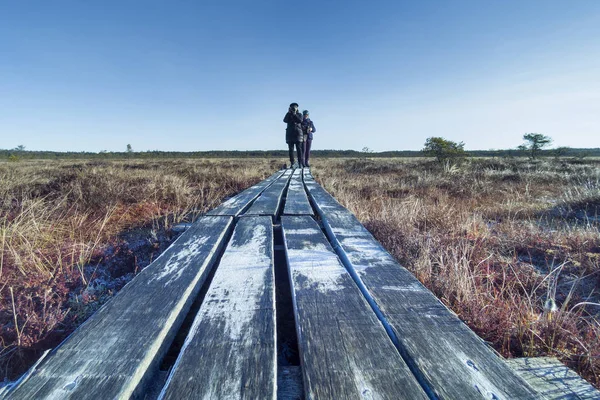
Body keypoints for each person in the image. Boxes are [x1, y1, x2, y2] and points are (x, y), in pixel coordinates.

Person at [283, 103, 304, 167]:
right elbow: (285, 120)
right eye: (292, 107)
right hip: (290, 134)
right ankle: (292, 162)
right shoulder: (288, 114)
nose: (294, 108)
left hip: (298, 134)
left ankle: (300, 162)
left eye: (295, 107)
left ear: (297, 108)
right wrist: (289, 113)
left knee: (299, 149)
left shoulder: (299, 114)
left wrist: (294, 114)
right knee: (291, 149)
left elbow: (300, 120)